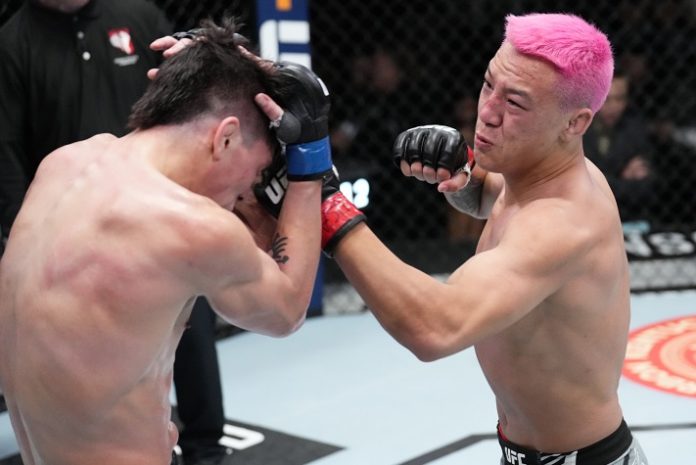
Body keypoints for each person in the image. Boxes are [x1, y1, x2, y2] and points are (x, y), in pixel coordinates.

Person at [257, 12, 649, 465]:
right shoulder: (544, 173)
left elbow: (434, 328)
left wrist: (325, 202)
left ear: (575, 123)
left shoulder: (562, 223)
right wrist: (465, 175)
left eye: (515, 103)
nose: (488, 112)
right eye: (488, 85)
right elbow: (490, 195)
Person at [0, 19, 341, 465]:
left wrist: (213, 59)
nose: (247, 192)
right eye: (256, 172)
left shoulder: (64, 164)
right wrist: (309, 166)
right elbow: (286, 310)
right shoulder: (190, 226)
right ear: (225, 137)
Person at [0, 2, 229, 462]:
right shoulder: (13, 41)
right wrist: (24, 232)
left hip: (160, 208)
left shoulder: (138, 15)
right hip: (72, 234)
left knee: (190, 325)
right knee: (96, 359)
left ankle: (207, 446)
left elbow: (185, 101)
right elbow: (5, 147)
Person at [584, 70, 655, 224]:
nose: (614, 107)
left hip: (627, 217)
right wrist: (622, 178)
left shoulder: (635, 129)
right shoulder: (578, 130)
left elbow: (647, 188)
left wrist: (602, 181)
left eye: (620, 98)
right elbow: (581, 187)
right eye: (607, 99)